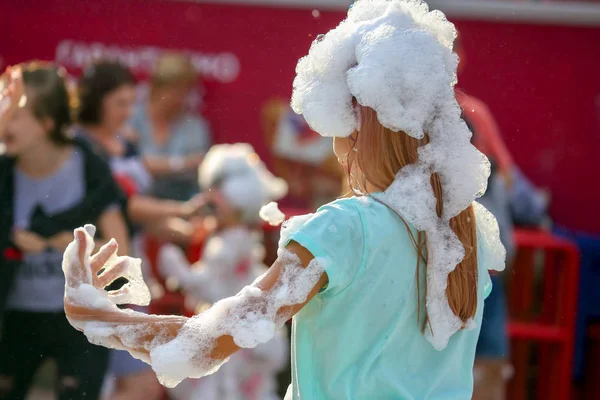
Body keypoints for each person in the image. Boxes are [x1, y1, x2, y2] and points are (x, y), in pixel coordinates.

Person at [61, 2, 506, 399]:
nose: (331, 144)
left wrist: (100, 318)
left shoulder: (343, 229)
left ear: (359, 123)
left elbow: (206, 342)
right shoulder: (471, 231)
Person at [0, 62, 128, 399]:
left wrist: (75, 247)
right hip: (15, 316)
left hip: (77, 318)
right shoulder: (4, 170)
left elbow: (121, 250)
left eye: (13, 113)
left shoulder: (88, 166)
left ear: (46, 123)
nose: (3, 121)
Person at [158, 143, 289, 400]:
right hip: (237, 328)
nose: (210, 201)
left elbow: (210, 287)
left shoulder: (229, 242)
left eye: (216, 197)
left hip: (231, 331)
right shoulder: (237, 236)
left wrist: (173, 264)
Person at [77, 60, 204, 246]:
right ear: (96, 102)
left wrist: (191, 233)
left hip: (129, 254)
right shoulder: (81, 147)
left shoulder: (126, 144)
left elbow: (141, 220)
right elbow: (126, 205)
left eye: (132, 103)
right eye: (120, 104)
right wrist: (183, 210)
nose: (128, 113)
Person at [130, 53, 212, 201]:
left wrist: (156, 165)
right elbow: (131, 165)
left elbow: (199, 168)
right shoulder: (130, 116)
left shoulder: (195, 126)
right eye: (175, 90)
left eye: (186, 91)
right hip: (138, 203)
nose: (181, 98)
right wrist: (183, 163)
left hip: (181, 202)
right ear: (157, 88)